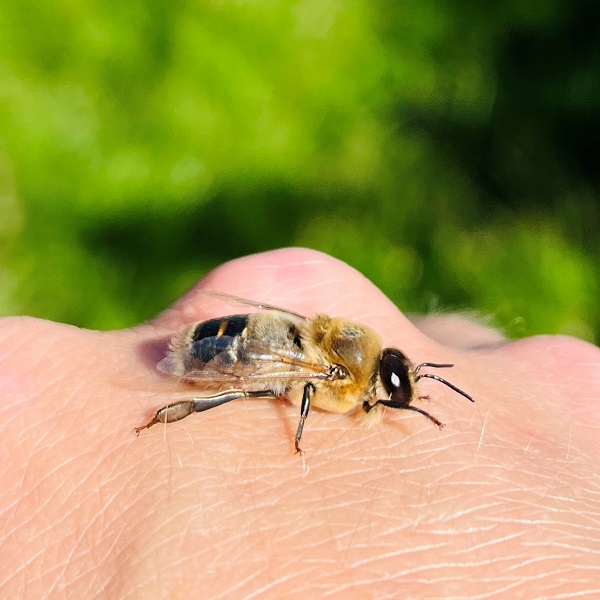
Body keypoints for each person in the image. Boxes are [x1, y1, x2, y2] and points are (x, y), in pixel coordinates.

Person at [1, 248, 599, 597]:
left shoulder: (349, 348)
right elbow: (309, 388)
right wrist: (303, 436)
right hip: (236, 353)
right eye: (389, 395)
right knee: (246, 391)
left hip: (260, 331)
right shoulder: (336, 376)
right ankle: (170, 411)